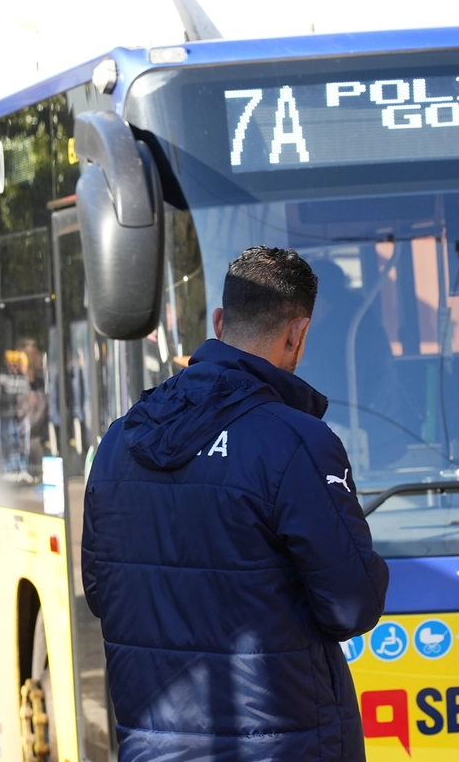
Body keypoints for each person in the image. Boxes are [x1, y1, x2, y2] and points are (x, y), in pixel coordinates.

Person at [82, 246, 390, 762]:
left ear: (221, 321)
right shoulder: (297, 443)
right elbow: (352, 605)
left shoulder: (120, 440)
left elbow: (101, 590)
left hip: (152, 746)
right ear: (298, 334)